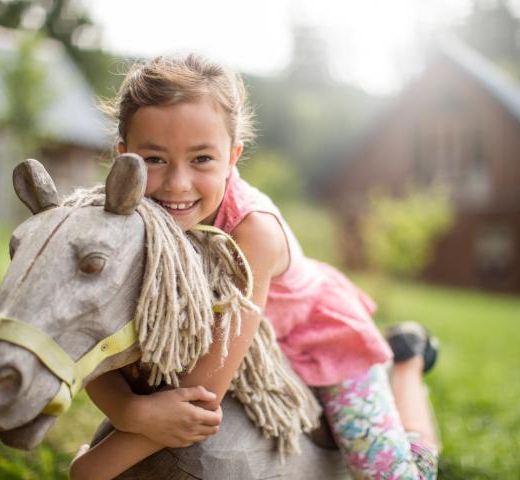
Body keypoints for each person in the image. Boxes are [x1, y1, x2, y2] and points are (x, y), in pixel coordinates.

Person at [68, 53, 440, 480]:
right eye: (154, 159)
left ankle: (406, 361)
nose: (177, 183)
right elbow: (86, 337)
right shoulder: (121, 214)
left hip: (315, 334)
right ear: (123, 156)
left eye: (202, 159)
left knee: (394, 475)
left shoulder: (253, 233)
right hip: (243, 325)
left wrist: (92, 469)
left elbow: (201, 395)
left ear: (233, 156)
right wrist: (129, 410)